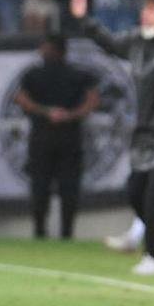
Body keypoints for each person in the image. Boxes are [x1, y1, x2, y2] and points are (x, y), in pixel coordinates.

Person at [69, 0, 154, 275]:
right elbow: (109, 42)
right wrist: (84, 19)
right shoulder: (137, 43)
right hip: (145, 131)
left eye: (152, 10)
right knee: (134, 191)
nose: (145, 15)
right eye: (146, 10)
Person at [14, 33, 99, 239]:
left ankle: (54, 231)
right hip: (59, 135)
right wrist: (65, 114)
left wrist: (53, 113)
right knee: (48, 186)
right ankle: (49, 231)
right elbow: (92, 100)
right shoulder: (39, 74)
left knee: (57, 186)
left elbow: (22, 100)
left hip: (54, 136)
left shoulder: (70, 74)